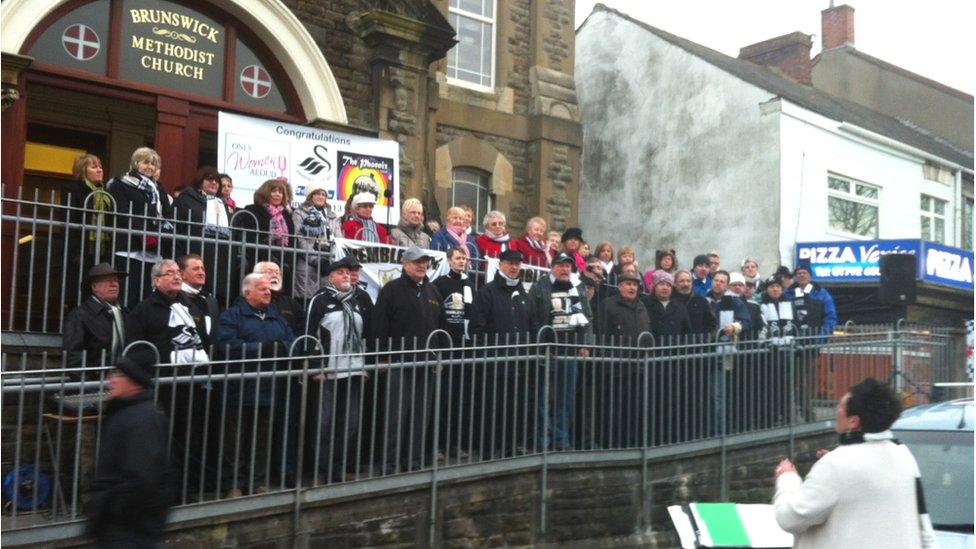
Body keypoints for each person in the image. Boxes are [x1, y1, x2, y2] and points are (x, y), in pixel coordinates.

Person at [773, 378, 937, 549]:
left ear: (853, 421)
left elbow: (790, 518)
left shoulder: (836, 464)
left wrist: (787, 479)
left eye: (841, 406)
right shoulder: (902, 455)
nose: (837, 410)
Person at [216, 273, 297, 491]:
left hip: (269, 388)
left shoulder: (276, 316)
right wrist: (263, 350)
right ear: (248, 292)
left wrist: (281, 348)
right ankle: (233, 484)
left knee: (262, 440)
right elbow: (227, 346)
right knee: (234, 441)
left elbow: (292, 341)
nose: (268, 292)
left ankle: (257, 482)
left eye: (269, 289)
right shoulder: (232, 316)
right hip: (240, 388)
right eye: (263, 289)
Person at [85, 353, 172, 547]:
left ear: (135, 382)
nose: (111, 380)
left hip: (129, 528)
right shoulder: (124, 412)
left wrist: (112, 510)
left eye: (119, 375)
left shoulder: (142, 419)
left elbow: (143, 476)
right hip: (121, 526)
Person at [372, 245, 445, 473]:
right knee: (395, 416)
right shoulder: (391, 290)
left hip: (426, 363)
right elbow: (379, 326)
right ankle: (389, 463)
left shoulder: (433, 291)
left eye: (425, 261)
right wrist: (381, 358)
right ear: (405, 264)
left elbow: (441, 327)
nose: (422, 265)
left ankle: (413, 461)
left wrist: (438, 356)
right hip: (399, 362)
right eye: (417, 262)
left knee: (421, 416)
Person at [304, 257, 370, 482]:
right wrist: (315, 367)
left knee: (349, 423)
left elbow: (365, 336)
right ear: (330, 277)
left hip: (353, 370)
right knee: (324, 423)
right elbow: (309, 333)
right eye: (340, 272)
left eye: (348, 272)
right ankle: (320, 470)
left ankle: (338, 468)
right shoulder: (320, 300)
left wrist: (364, 366)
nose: (345, 276)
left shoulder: (357, 300)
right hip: (329, 371)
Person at [469, 248, 535, 458]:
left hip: (519, 364)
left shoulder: (524, 294)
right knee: (492, 408)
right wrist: (486, 357)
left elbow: (532, 327)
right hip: (494, 364)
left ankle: (511, 445)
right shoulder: (487, 292)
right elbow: (476, 329)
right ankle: (489, 448)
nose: (515, 267)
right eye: (510, 263)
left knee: (515, 408)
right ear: (501, 264)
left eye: (518, 264)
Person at [529, 252, 593, 451]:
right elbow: (533, 319)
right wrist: (542, 346)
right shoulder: (540, 286)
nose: (565, 269)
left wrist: (585, 344)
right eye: (560, 265)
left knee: (565, 398)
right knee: (543, 398)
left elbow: (586, 318)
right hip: (548, 350)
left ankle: (561, 439)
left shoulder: (577, 287)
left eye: (568, 266)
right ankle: (543, 440)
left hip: (570, 349)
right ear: (552, 267)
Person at [106, 147, 174, 306]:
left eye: (153, 164)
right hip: (130, 247)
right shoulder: (120, 183)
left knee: (147, 299)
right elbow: (121, 212)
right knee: (129, 297)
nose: (150, 167)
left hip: (153, 249)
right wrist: (143, 233)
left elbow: (168, 213)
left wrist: (160, 233)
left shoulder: (157, 187)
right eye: (146, 163)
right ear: (136, 163)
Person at [596, 272, 649, 448]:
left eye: (635, 284)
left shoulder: (641, 306)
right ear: (619, 286)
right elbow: (601, 333)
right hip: (615, 368)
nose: (632, 287)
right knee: (614, 410)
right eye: (628, 284)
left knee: (634, 409)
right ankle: (612, 444)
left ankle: (632, 443)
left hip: (638, 367)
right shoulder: (608, 305)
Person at [125, 259, 208, 365]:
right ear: (157, 281)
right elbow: (134, 351)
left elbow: (204, 341)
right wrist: (169, 356)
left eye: (178, 273)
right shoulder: (143, 310)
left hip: (194, 376)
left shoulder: (191, 307)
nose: (177, 277)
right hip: (161, 376)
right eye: (170, 273)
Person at [172, 167, 234, 304]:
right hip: (193, 253)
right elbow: (176, 227)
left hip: (217, 259)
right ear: (200, 180)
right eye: (209, 179)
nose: (214, 183)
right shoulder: (187, 198)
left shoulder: (220, 204)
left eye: (217, 180)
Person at [62, 154, 113, 306]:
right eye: (94, 167)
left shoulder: (106, 194)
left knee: (98, 290)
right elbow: (68, 221)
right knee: (78, 289)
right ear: (82, 170)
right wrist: (74, 251)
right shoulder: (73, 190)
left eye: (100, 167)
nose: (100, 170)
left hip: (103, 248)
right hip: (81, 248)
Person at [62, 263, 128, 378]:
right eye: (108, 280)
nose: (114, 284)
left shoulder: (125, 313)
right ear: (94, 287)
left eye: (116, 281)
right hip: (95, 383)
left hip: (122, 382)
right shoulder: (79, 315)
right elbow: (74, 357)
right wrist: (89, 384)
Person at [233, 178, 295, 284]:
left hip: (282, 261)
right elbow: (250, 238)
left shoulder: (286, 215)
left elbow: (292, 240)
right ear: (265, 192)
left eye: (280, 192)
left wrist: (287, 261)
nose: (278, 195)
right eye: (274, 191)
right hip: (258, 259)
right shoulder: (252, 210)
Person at [292, 182, 340, 298]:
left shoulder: (332, 216)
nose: (321, 197)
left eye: (323, 194)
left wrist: (332, 261)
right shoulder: (300, 213)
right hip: (307, 264)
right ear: (310, 196)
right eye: (317, 194)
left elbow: (339, 239)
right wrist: (315, 260)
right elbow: (299, 239)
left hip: (328, 265)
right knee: (305, 302)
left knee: (324, 302)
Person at [432, 247, 474, 347]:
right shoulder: (439, 283)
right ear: (449, 261)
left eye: (464, 258)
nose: (462, 261)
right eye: (458, 258)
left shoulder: (469, 284)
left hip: (465, 337)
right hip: (445, 335)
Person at [254, 261, 305, 335]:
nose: (275, 276)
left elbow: (305, 328)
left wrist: (291, 342)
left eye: (277, 273)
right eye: (269, 272)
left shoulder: (290, 303)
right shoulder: (247, 302)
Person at [672, 270, 717, 337]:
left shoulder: (702, 301)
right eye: (682, 281)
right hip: (674, 344)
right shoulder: (670, 301)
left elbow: (712, 324)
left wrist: (703, 339)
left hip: (697, 345)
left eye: (688, 281)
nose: (685, 284)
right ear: (674, 283)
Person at [728, 272, 764, 340]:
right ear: (728, 287)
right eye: (734, 285)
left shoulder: (754, 306)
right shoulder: (721, 303)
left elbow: (761, 326)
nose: (737, 287)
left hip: (749, 345)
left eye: (740, 285)